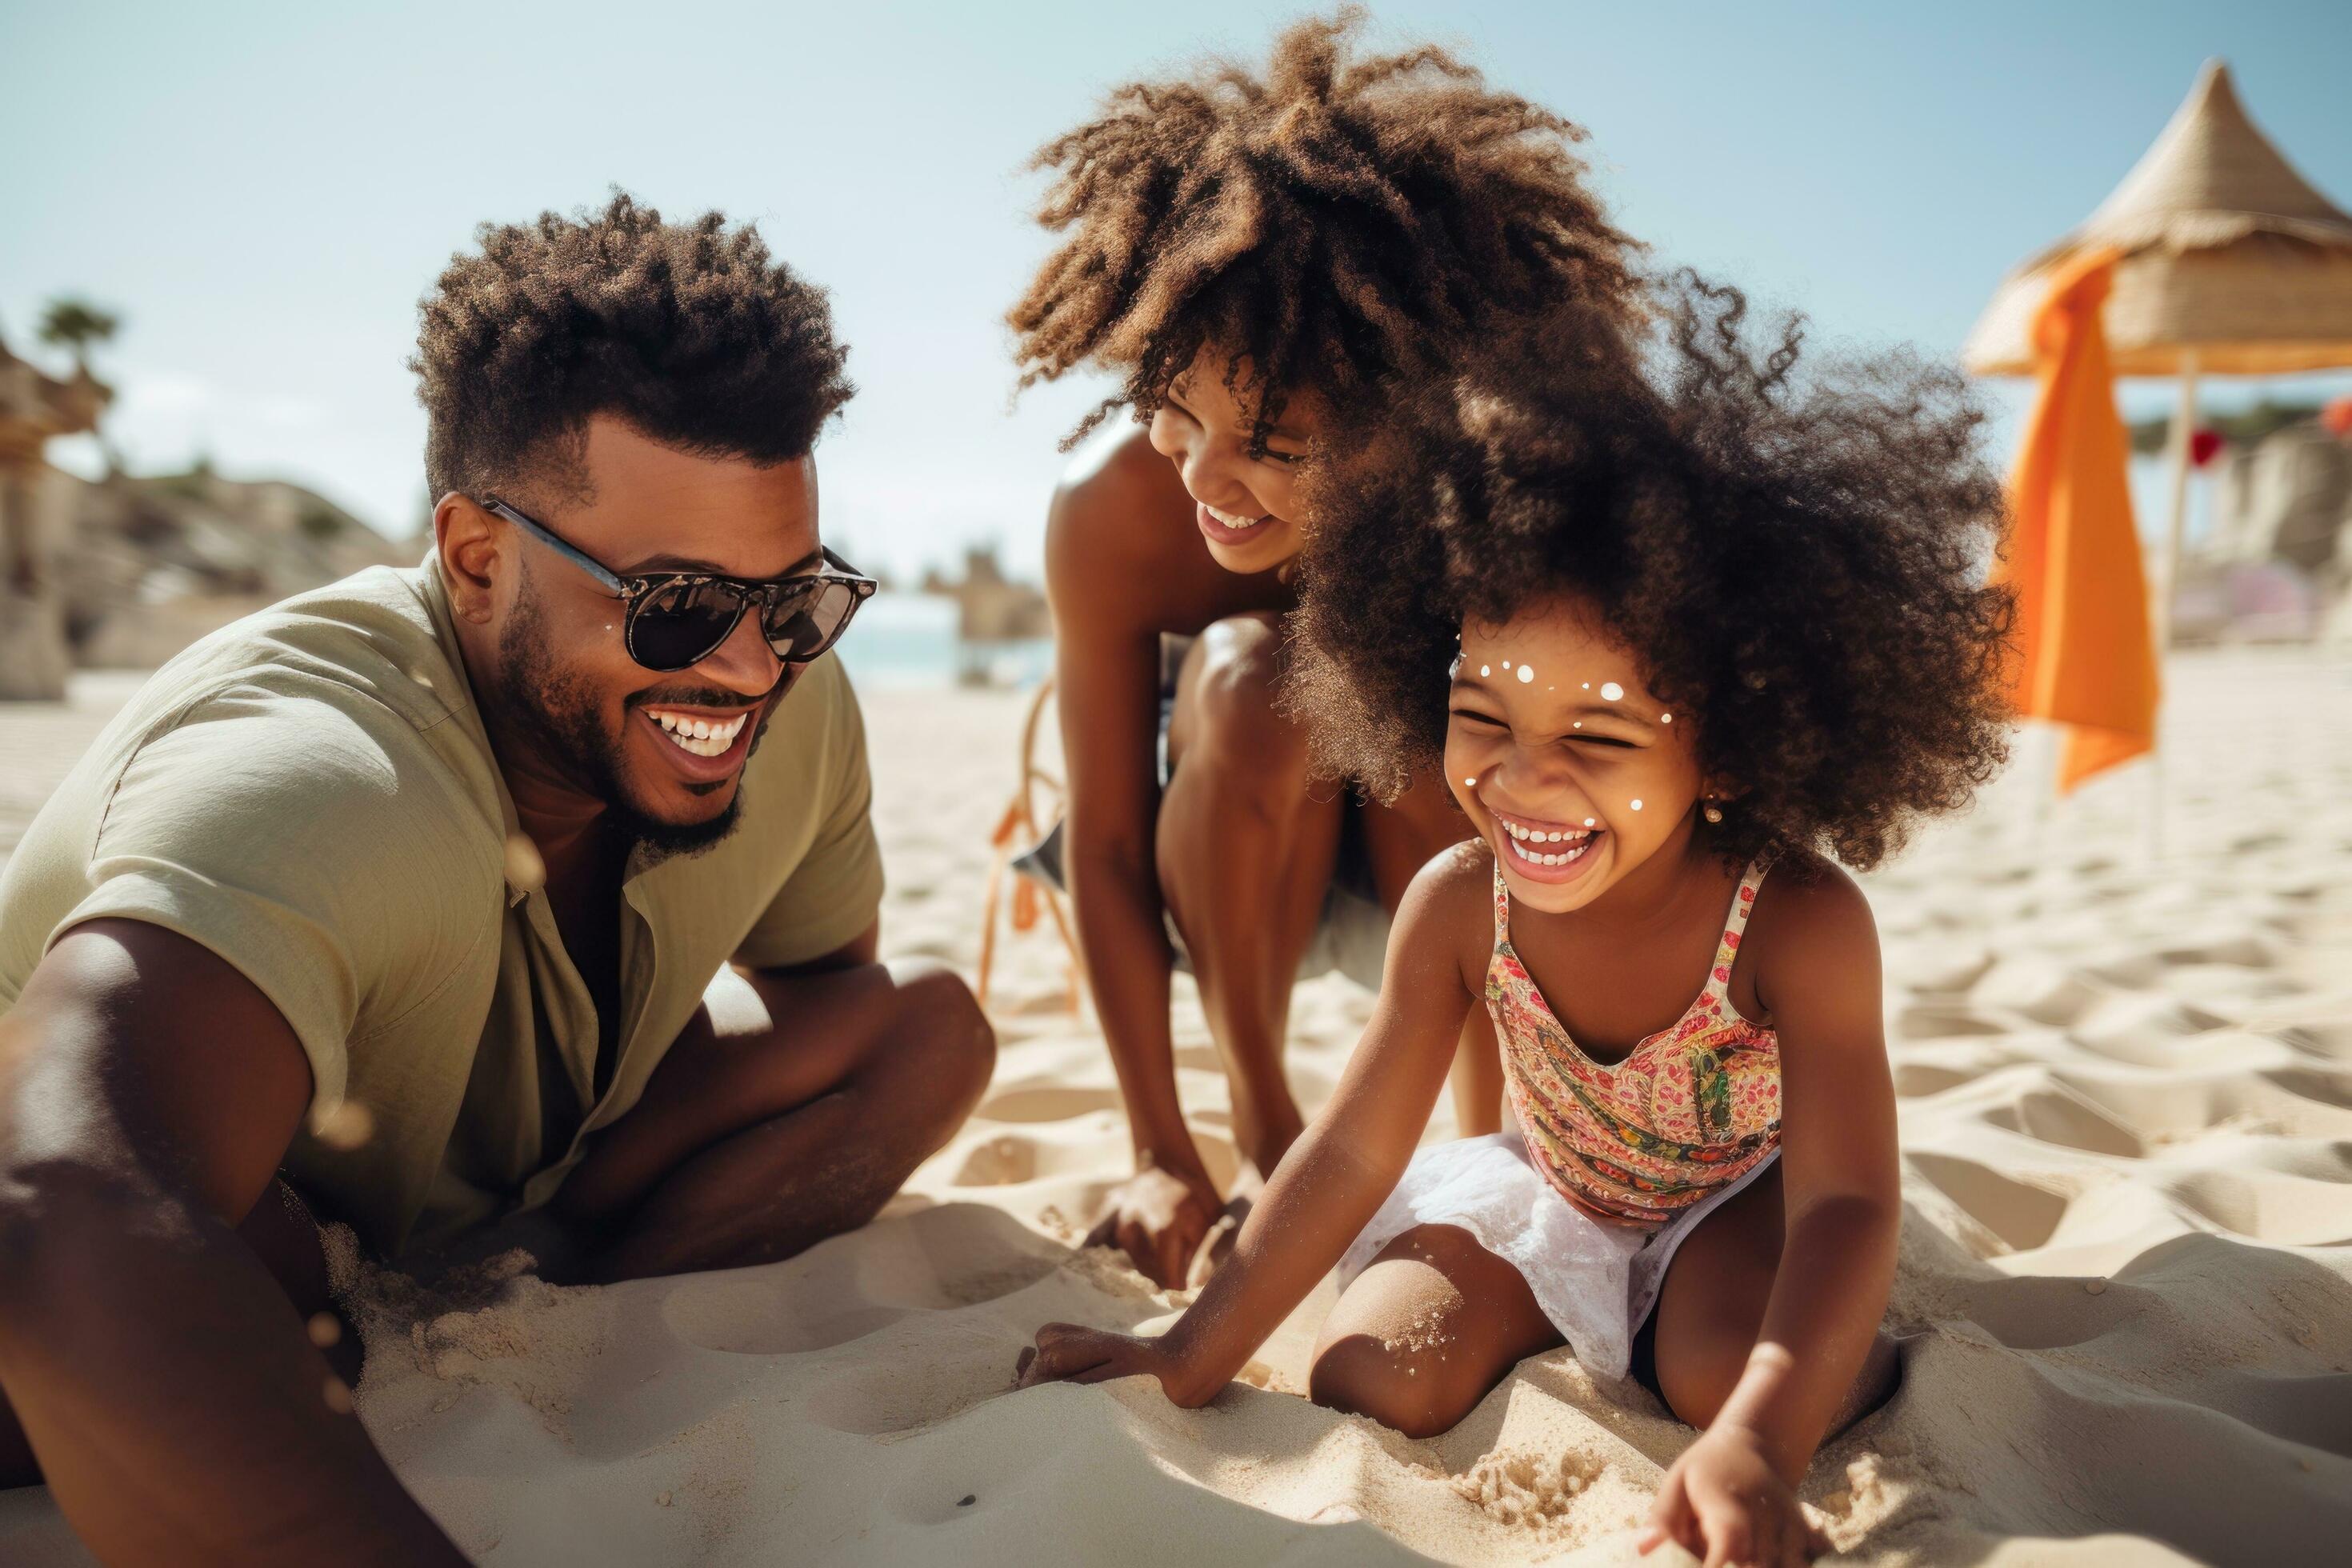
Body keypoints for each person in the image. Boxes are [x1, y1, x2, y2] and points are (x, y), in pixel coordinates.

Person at [0, 194, 995, 1563]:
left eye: (797, 600)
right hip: (202, 1209)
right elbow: (61, 1199)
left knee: (925, 1033)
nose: (754, 668)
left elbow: (830, 992)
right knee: (256, 1279)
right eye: (681, 607)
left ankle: (534, 1276)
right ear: (477, 559)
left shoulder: (788, 706)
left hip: (486, 1207)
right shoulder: (320, 773)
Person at [1017, 282, 2014, 1567]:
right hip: (1554, 1189)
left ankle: (1744, 1353)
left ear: (1726, 745)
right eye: (1481, 716)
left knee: (1716, 1372)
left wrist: (1759, 1447)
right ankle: (1580, 1308)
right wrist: (1187, 1349)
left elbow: (1846, 1206)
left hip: (1734, 1207)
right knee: (1371, 1371)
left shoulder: (1798, 924)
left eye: (1597, 737)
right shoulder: (1456, 903)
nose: (1523, 780)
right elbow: (1352, 1152)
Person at [1010, 10, 1646, 1287]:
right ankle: (1264, 1138)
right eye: (1175, 411)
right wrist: (1155, 1151)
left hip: (1443, 847)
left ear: (1407, 399)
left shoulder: (1488, 494)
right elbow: (1113, 846)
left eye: (1275, 442)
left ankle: (1491, 1149)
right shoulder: (1116, 517)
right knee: (1259, 679)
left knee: (1443, 711)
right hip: (1226, 860)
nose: (1212, 479)